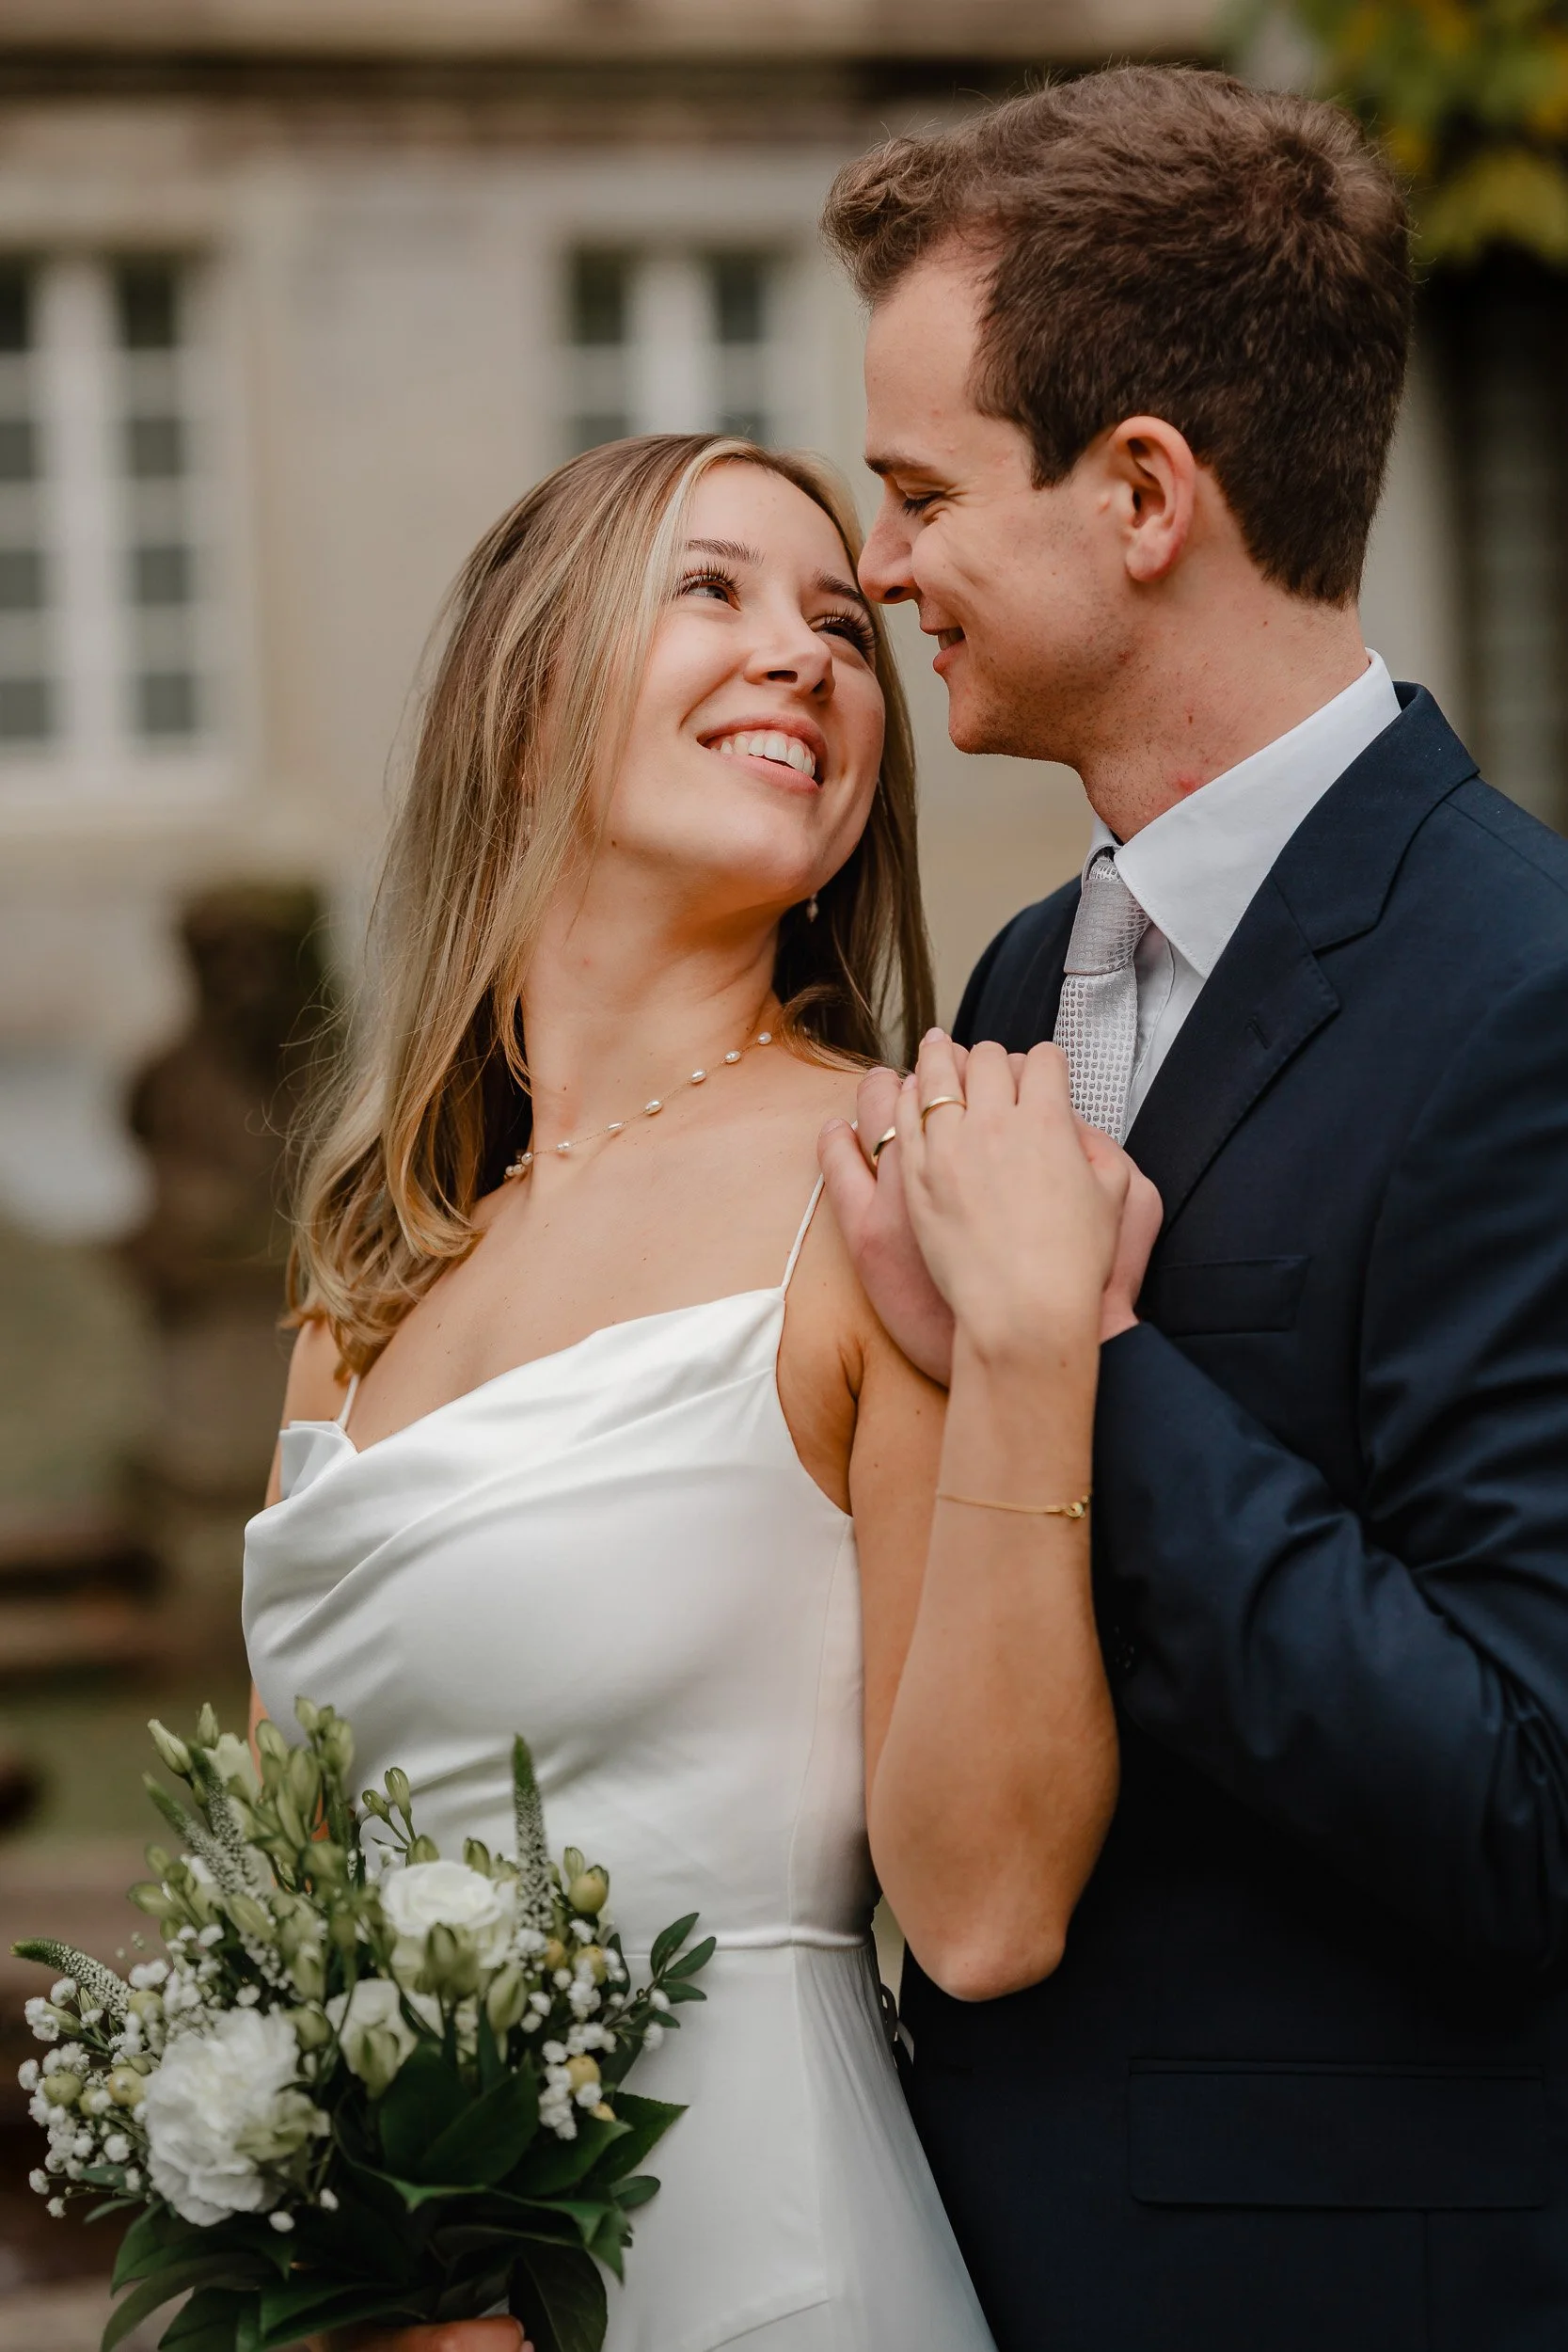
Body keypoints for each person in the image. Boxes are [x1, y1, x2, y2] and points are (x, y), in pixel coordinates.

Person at [243, 431, 1157, 2352]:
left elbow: (983, 1908)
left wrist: (1017, 1353)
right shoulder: (368, 1267)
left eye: (842, 622)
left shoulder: (893, 1177)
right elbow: (285, 1912)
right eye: (711, 589)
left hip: (759, 2263)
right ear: (520, 710)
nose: (809, 654)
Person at [816, 63, 1568, 2352]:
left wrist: (1090, 1362)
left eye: (920, 492)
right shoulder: (1040, 972)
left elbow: (1518, 1806)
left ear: (1140, 492)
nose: (877, 566)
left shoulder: (1519, 989)